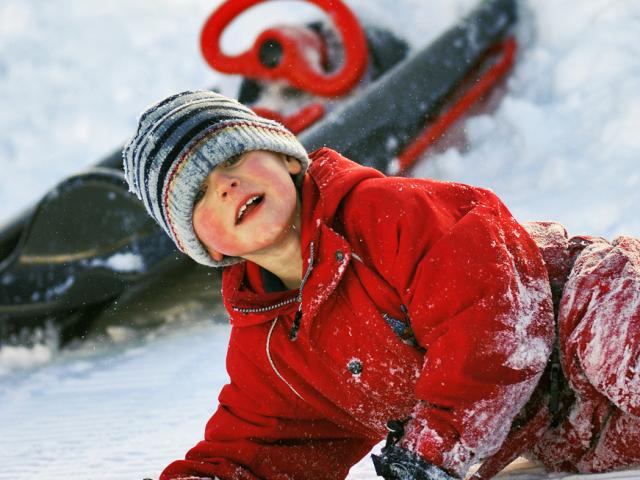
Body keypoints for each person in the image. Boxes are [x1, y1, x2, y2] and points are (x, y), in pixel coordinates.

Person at [123, 90, 640, 480]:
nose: (228, 184)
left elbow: (491, 320)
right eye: (203, 195)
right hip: (568, 429)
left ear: (286, 157)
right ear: (207, 248)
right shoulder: (274, 349)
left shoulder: (385, 213)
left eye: (233, 159)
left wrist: (434, 450)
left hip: (586, 307)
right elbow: (262, 449)